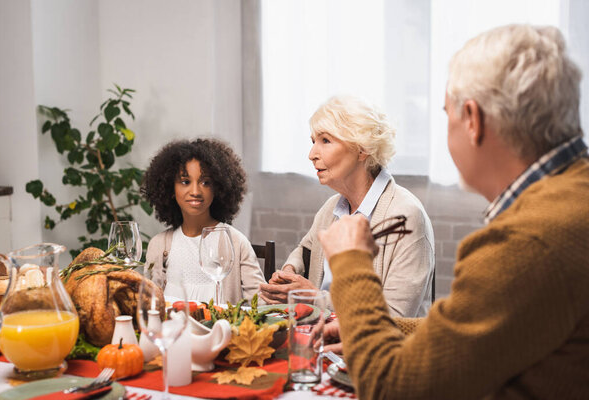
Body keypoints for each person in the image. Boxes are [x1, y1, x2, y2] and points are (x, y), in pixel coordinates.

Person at [318, 24, 589, 399]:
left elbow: (391, 388)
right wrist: (388, 328)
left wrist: (350, 263)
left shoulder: (525, 242)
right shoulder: (573, 198)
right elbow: (488, 333)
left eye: (448, 115)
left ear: (473, 120)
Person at [260, 95, 435, 318]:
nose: (312, 154)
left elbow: (394, 315)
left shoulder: (407, 216)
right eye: (313, 141)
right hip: (324, 338)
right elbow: (305, 248)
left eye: (325, 141)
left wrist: (312, 296)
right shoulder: (331, 208)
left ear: (362, 149)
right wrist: (289, 271)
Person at [142, 138, 265, 303]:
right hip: (173, 328)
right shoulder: (158, 245)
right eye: (185, 182)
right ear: (170, 189)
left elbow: (260, 303)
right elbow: (148, 303)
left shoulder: (235, 242)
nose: (195, 191)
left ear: (218, 188)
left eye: (205, 182)